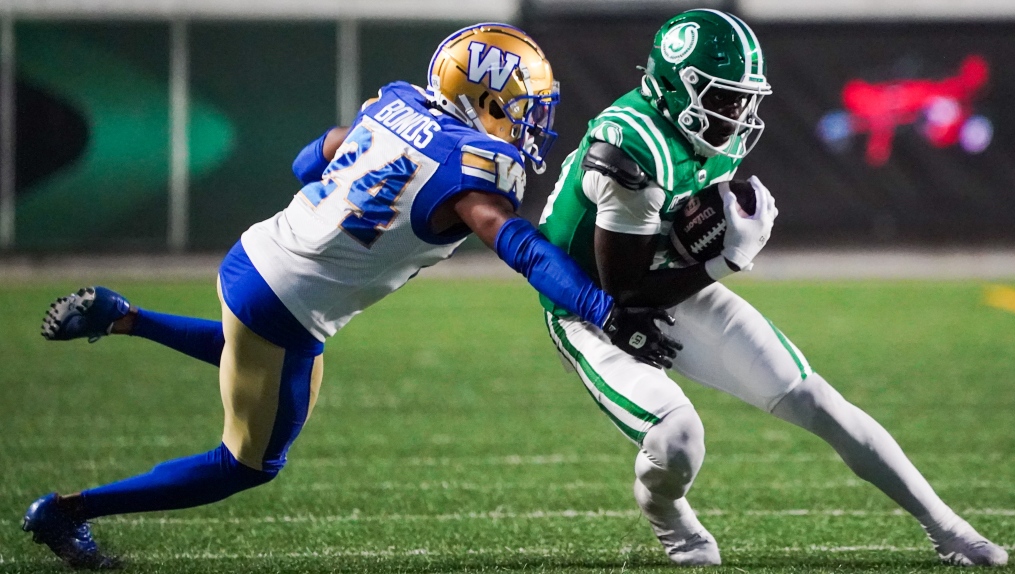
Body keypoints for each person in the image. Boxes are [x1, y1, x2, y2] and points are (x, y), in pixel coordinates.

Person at [22, 23, 681, 569]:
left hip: (255, 257)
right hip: (285, 297)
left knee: (265, 360)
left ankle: (123, 317)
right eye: (522, 103)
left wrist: (347, 184)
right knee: (247, 464)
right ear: (484, 98)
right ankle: (66, 512)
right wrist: (601, 310)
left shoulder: (398, 104)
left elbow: (313, 156)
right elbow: (524, 249)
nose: (532, 118)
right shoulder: (478, 171)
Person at [537, 9, 1007, 568]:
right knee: (678, 438)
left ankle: (948, 528)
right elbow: (626, 291)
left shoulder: (705, 130)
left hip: (659, 281)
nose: (739, 114)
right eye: (726, 98)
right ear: (680, 87)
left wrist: (707, 238)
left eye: (744, 98)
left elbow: (665, 251)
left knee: (815, 398)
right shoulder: (631, 148)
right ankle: (667, 509)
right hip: (590, 307)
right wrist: (726, 258)